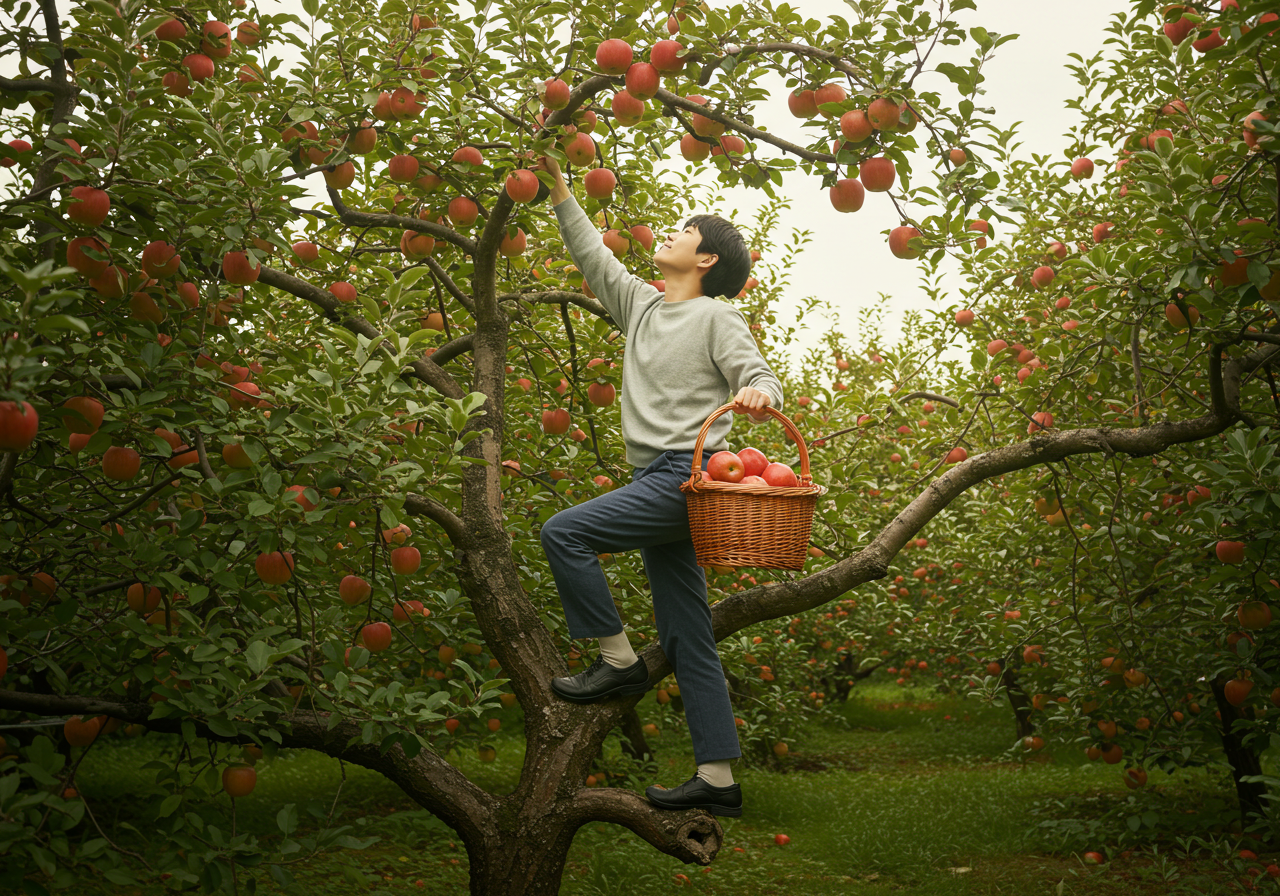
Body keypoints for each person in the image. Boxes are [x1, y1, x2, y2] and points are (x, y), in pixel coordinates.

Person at [535, 155, 784, 817]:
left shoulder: (718, 317)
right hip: (657, 478)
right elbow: (595, 257)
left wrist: (758, 392)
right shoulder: (641, 307)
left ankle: (616, 660)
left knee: (564, 532)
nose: (668, 235)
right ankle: (719, 780)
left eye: (683, 230)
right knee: (687, 635)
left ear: (705, 261)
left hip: (688, 477)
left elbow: (758, 374)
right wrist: (560, 191)